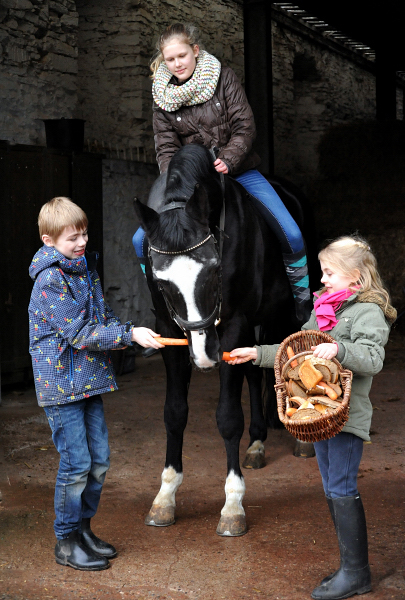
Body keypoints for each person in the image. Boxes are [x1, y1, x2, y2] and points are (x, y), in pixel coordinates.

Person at [227, 235, 397, 600]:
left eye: (329, 272)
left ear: (356, 277)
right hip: (316, 415)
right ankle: (348, 567)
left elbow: (373, 359)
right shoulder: (325, 309)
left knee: (343, 488)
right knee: (332, 489)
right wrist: (255, 353)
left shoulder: (367, 312)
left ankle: (356, 573)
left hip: (345, 417)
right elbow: (296, 349)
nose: (322, 279)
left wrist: (339, 348)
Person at [133, 22, 311, 322]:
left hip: (236, 172)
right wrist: (177, 181)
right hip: (189, 186)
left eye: (182, 56)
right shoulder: (161, 97)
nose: (177, 64)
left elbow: (245, 125)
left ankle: (302, 303)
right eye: (170, 59)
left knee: (291, 233)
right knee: (140, 241)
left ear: (195, 51)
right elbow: (165, 147)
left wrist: (229, 158)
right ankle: (162, 308)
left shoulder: (223, 78)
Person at [28, 197, 163, 571]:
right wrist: (128, 335)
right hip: (61, 384)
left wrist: (135, 331)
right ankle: (66, 540)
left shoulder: (84, 269)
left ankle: (83, 530)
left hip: (87, 381)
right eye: (72, 238)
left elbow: (102, 316)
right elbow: (81, 333)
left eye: (84, 233)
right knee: (76, 464)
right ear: (48, 240)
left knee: (98, 461)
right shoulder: (50, 281)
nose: (81, 242)